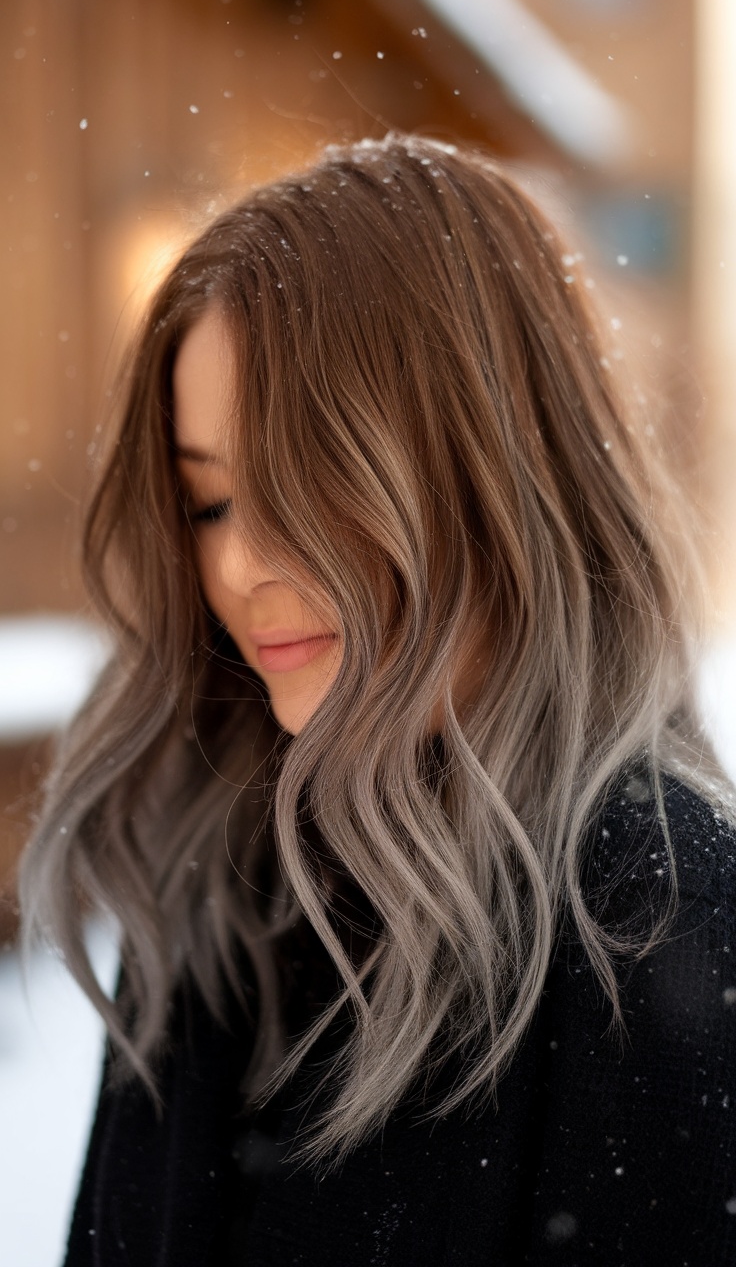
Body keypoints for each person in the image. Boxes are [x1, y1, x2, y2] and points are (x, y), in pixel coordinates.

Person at [20, 133, 736, 1266]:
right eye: (209, 503)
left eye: (307, 479)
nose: (245, 564)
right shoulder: (214, 879)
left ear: (483, 465)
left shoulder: (656, 913)